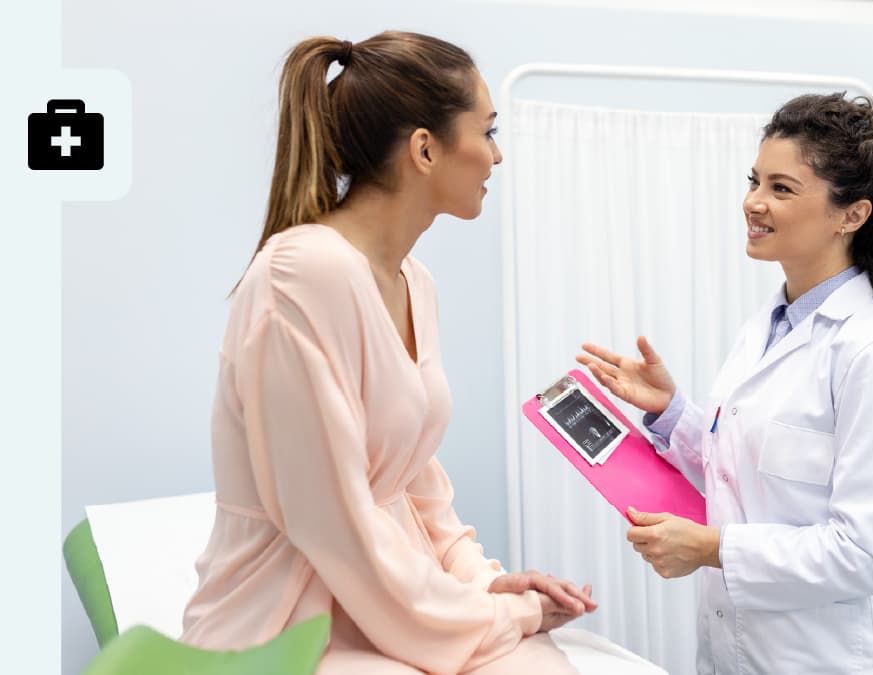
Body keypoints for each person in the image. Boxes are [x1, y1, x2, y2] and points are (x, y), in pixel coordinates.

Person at [180, 31, 595, 674]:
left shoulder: (414, 283)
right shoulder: (301, 275)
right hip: (289, 618)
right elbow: (333, 526)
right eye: (486, 133)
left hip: (394, 598)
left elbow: (414, 483)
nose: (498, 155)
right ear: (425, 150)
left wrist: (486, 584)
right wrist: (502, 617)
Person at [578, 93, 873, 674]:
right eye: (755, 181)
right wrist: (671, 412)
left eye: (781, 189)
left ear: (851, 214)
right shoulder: (767, 326)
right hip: (735, 654)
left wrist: (713, 550)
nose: (753, 202)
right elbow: (742, 479)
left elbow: (864, 555)